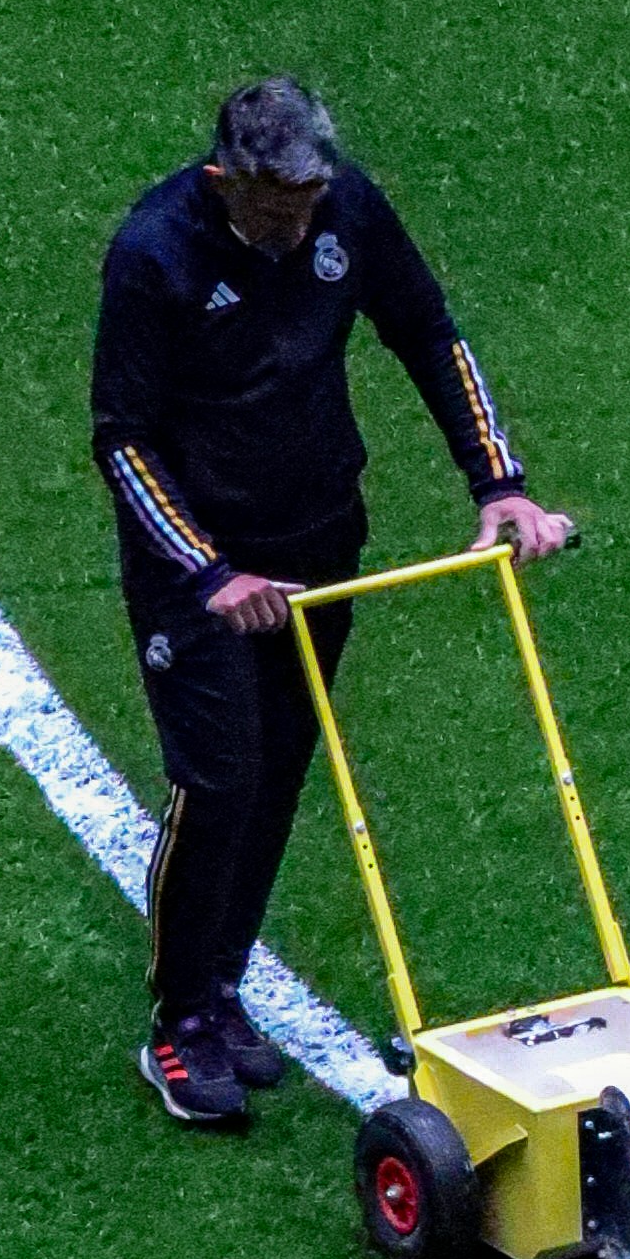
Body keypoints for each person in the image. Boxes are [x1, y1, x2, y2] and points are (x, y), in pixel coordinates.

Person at [91, 76, 574, 1128]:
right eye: (276, 207)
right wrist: (211, 574)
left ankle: (223, 992)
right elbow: (121, 439)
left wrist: (498, 482)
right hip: (202, 572)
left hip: (319, 544)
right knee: (217, 781)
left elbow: (427, 331)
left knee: (277, 774)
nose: (297, 224)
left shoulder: (345, 209)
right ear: (227, 179)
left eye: (309, 201)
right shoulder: (154, 253)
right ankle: (178, 1022)